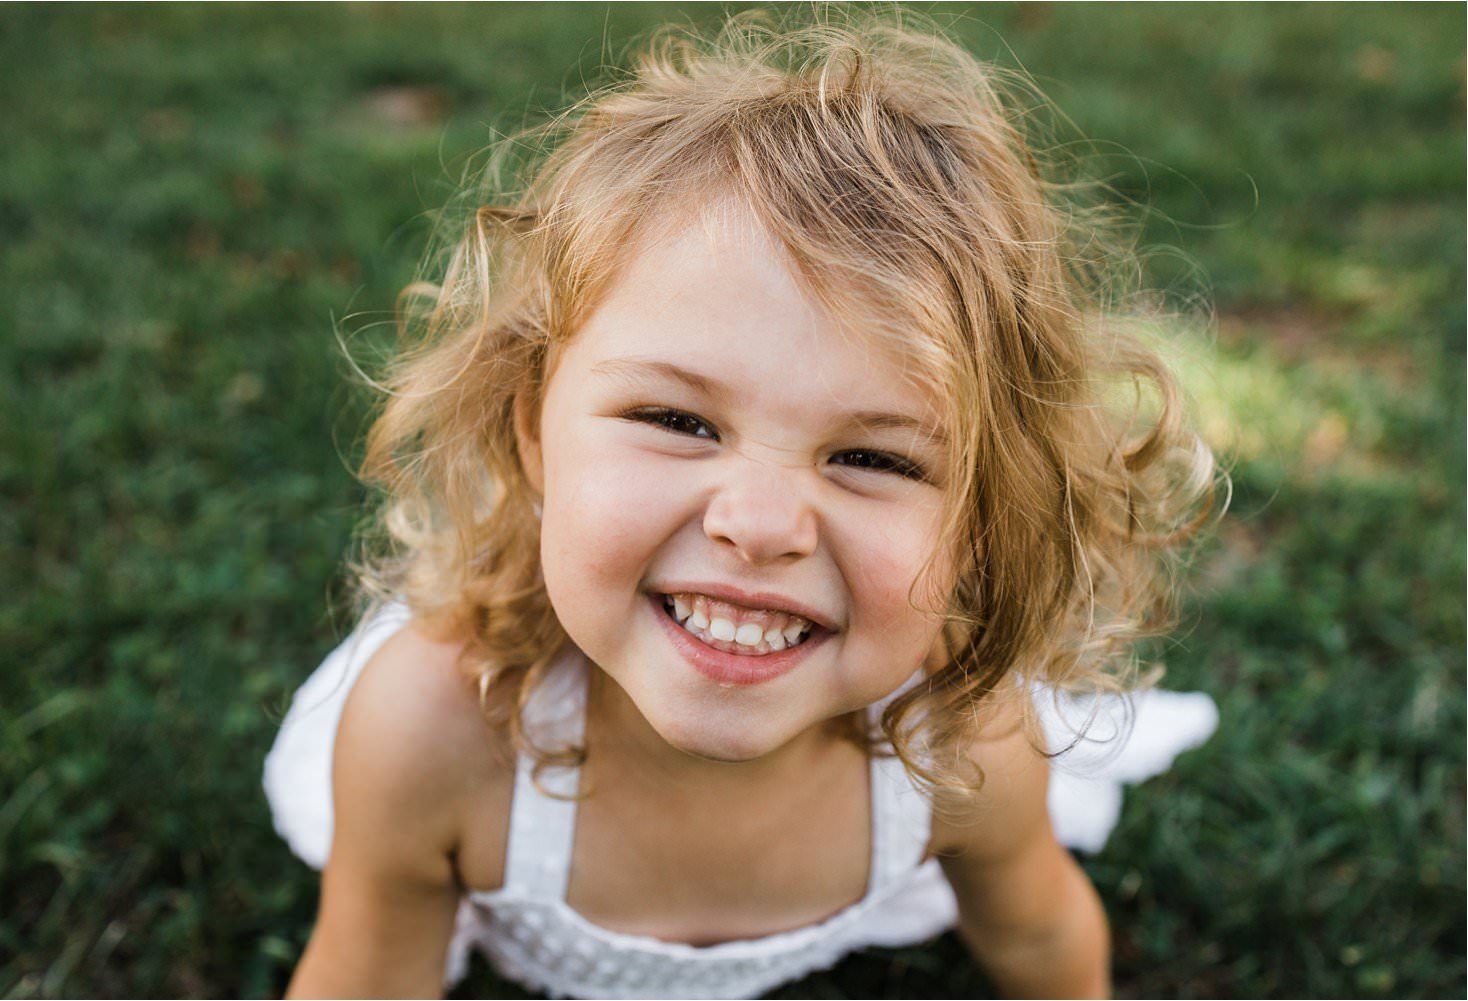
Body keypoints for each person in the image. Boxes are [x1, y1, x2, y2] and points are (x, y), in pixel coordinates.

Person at [265, 12, 1221, 999]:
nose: (760, 526)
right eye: (677, 419)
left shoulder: (963, 748)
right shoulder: (433, 734)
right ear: (534, 431)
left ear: (981, 517)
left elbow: (1042, 938)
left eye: (869, 456)